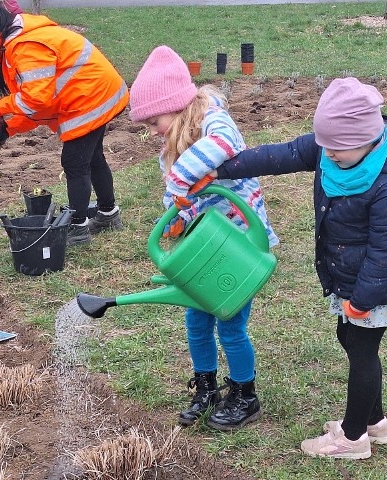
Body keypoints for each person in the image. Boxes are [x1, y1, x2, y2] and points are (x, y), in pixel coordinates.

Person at [211, 77, 387, 458]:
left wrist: (363, 298)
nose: (330, 156)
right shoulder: (334, 148)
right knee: (352, 340)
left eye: (338, 150)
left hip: (374, 283)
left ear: (368, 140)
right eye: (326, 147)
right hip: (349, 274)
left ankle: (353, 438)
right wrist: (223, 170)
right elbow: (282, 155)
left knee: (361, 349)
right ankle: (374, 423)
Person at [129, 45, 278, 431]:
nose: (152, 132)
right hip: (206, 246)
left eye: (153, 121)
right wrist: (179, 217)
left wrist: (180, 178)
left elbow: (225, 148)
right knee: (196, 321)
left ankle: (245, 395)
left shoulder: (215, 121)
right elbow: (186, 197)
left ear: (177, 105)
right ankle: (207, 388)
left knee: (229, 323)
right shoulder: (174, 141)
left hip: (239, 247)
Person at [0, 3, 129, 246]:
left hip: (89, 98)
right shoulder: (18, 41)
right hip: (99, 93)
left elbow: (36, 98)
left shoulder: (24, 47)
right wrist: (10, 129)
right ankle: (108, 215)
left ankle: (78, 228)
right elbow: (36, 105)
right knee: (93, 158)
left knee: (75, 163)